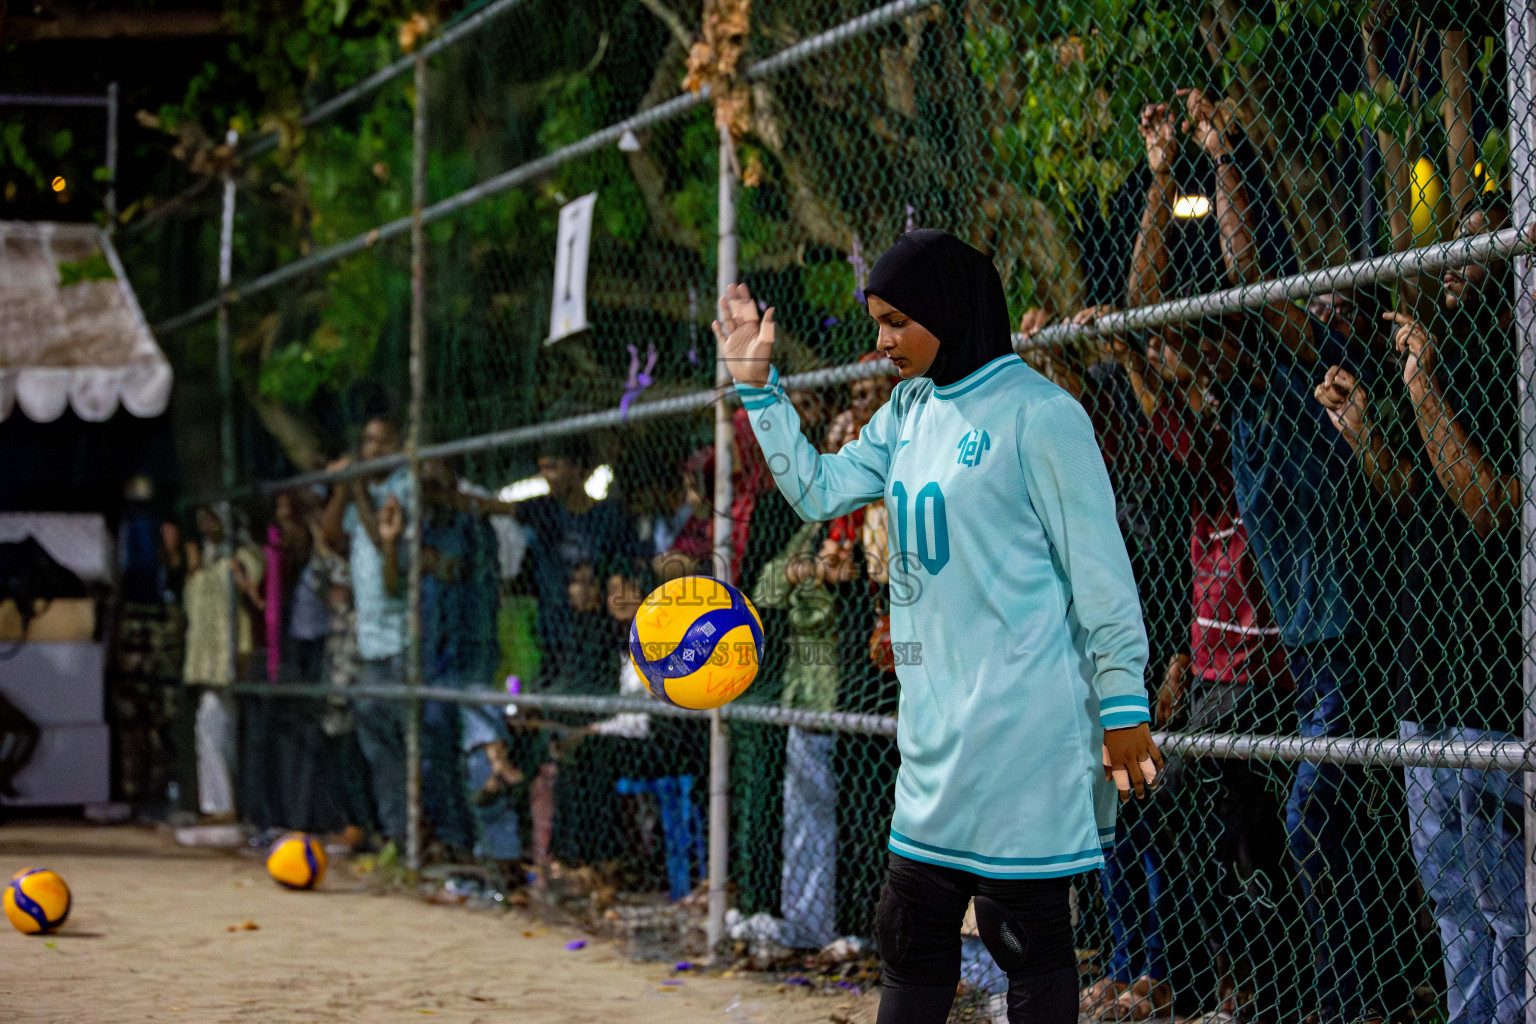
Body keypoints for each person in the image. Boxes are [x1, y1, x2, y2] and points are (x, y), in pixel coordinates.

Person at [714, 229, 1158, 1024]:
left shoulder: (1043, 417)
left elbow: (1104, 580)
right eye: (878, 321)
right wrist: (758, 390)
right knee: (909, 933)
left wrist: (1123, 706)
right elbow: (817, 492)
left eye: (896, 321)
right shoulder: (907, 412)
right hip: (932, 738)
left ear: (951, 310)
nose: (881, 341)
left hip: (1025, 734)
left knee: (1022, 937)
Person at [1173, 89, 1391, 1024]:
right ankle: (1330, 994)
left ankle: (1349, 1001)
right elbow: (1205, 305)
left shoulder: (1322, 376)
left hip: (1352, 634)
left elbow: (1253, 271)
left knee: (1314, 819)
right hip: (1304, 646)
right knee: (1312, 829)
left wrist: (1230, 158)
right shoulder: (1247, 407)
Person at [1314, 195, 1525, 1024]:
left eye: (1487, 242)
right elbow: (1411, 490)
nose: (1462, 259)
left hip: (1487, 668)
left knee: (1506, 897)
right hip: (1423, 671)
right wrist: (1364, 429)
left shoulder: (1504, 359)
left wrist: (1424, 385)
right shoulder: (1439, 358)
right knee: (1448, 895)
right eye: (1459, 241)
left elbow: (1484, 504)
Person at [321, 416, 413, 850]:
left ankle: (422, 836)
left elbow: (383, 542)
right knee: (378, 747)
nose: (371, 449)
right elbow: (332, 535)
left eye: (381, 441)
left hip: (404, 637)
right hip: (371, 640)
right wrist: (343, 486)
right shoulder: (364, 492)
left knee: (412, 741)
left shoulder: (402, 485)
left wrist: (356, 485)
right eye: (367, 441)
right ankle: (396, 835)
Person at [181, 506, 264, 823]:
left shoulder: (244, 555)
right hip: (206, 662)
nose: (204, 523)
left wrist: (237, 571)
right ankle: (218, 805)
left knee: (217, 725)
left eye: (211, 516)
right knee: (212, 727)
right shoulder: (203, 558)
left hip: (233, 657)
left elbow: (253, 586)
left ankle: (224, 805)